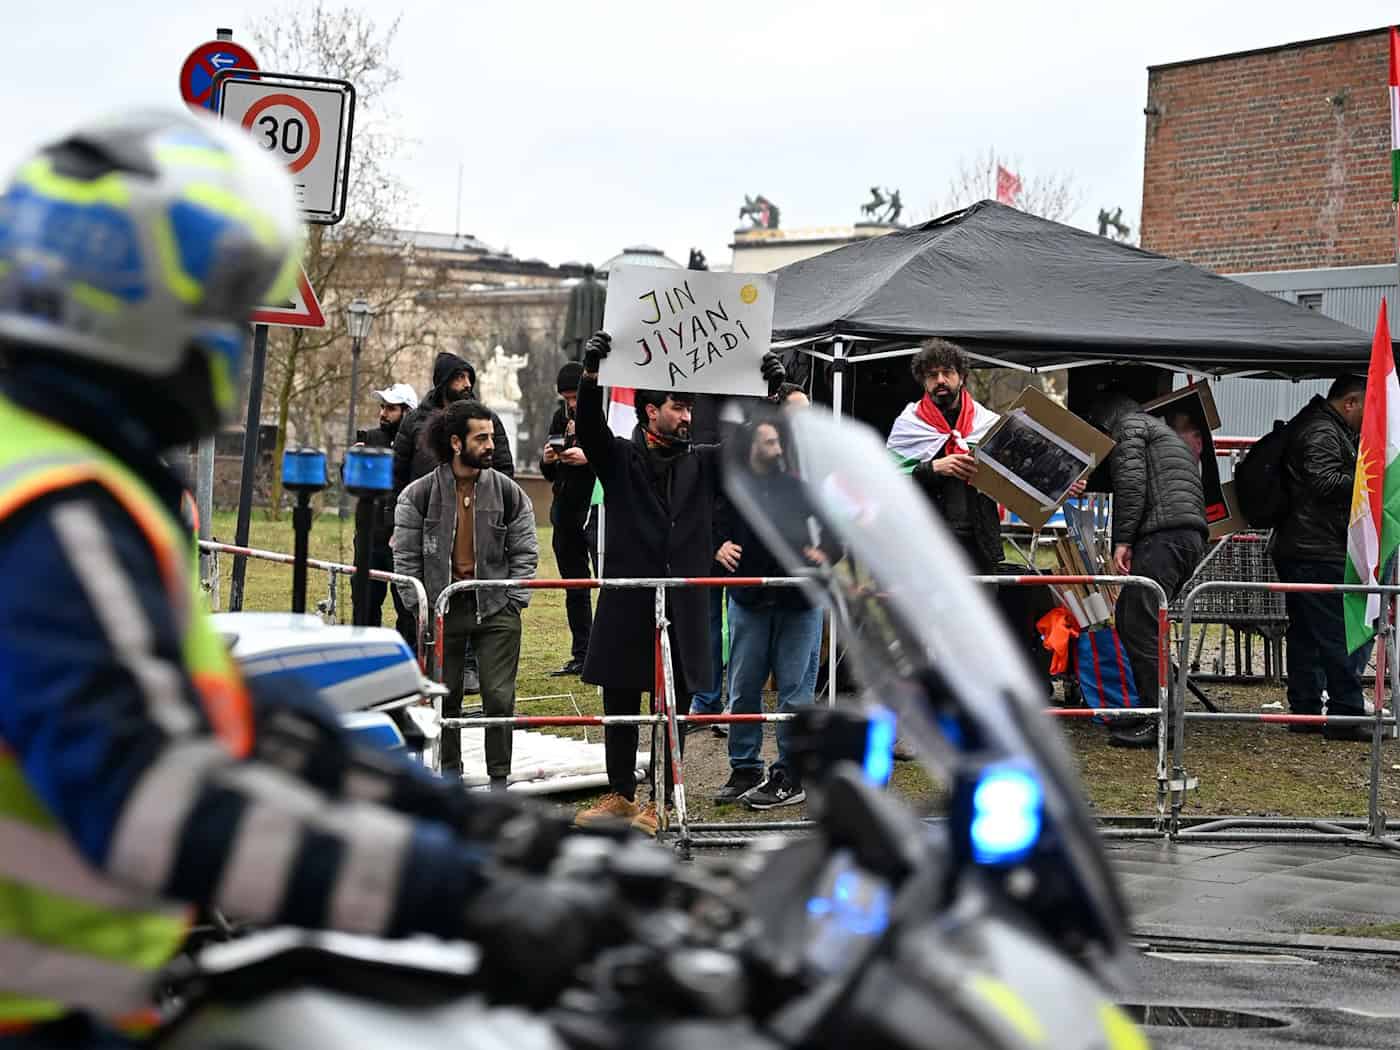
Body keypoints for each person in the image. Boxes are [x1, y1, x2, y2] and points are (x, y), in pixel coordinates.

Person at [0, 111, 601, 1048]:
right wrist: (460, 893)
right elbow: (155, 796)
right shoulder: (55, 509)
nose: (233, 343)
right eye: (223, 309)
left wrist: (481, 828)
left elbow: (223, 720)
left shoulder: (42, 465)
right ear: (142, 310)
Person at [572, 331, 784, 835]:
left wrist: (769, 395)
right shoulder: (620, 459)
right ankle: (621, 794)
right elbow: (589, 428)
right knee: (620, 700)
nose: (688, 417)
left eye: (690, 408)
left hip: (684, 605)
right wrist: (590, 375)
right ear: (649, 411)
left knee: (675, 703)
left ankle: (663, 798)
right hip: (628, 601)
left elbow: (748, 443)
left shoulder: (703, 460)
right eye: (677, 407)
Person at [394, 401, 538, 788]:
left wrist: (514, 599)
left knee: (498, 698)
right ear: (456, 442)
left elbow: (526, 551)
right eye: (482, 437)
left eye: (492, 436)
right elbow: (405, 561)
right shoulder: (418, 495)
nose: (492, 445)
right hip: (443, 610)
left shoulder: (509, 493)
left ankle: (499, 783)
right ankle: (449, 779)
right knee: (447, 698)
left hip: (497, 609)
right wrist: (422, 608)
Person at [713, 420, 834, 809]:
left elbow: (836, 529)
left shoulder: (799, 488)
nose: (779, 449)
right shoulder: (731, 490)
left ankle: (790, 774)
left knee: (796, 692)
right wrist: (716, 548)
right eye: (770, 442)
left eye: (780, 441)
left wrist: (827, 553)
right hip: (748, 601)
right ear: (751, 446)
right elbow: (707, 529)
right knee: (743, 687)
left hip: (800, 604)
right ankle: (745, 768)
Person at [1086, 390, 1208, 748]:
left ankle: (1160, 721)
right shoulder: (1156, 430)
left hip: (1163, 536)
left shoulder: (1128, 430)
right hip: (1184, 534)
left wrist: (1122, 541)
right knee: (1142, 621)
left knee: (1138, 623)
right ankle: (1156, 711)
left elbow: (1131, 485)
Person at [393, 352, 514, 694]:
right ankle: (418, 662)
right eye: (459, 378)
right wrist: (395, 523)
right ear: (444, 381)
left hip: (475, 516)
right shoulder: (415, 421)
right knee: (417, 594)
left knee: (474, 592)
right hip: (424, 519)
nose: (466, 385)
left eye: (468, 378)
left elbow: (502, 466)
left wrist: (495, 515)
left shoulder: (484, 419)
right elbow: (398, 473)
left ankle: (470, 666)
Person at [1271, 376, 1372, 742]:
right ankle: (1345, 713)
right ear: (1350, 402)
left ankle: (1306, 711)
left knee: (1308, 635)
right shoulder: (1321, 431)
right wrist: (1371, 476)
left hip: (1305, 544)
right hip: (1317, 546)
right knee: (1334, 633)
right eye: (1368, 408)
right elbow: (1326, 482)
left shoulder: (1318, 426)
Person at [886, 338, 1002, 573]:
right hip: (926, 542)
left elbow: (1021, 473)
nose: (940, 380)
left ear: (962, 377)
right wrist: (933, 468)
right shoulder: (909, 425)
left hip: (979, 543)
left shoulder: (987, 424)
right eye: (932, 375)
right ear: (923, 381)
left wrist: (1063, 486)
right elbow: (886, 480)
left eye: (947, 372)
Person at [539, 362, 595, 676]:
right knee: (575, 587)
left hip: (596, 509)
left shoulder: (602, 414)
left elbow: (617, 458)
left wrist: (588, 456)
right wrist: (548, 459)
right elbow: (551, 471)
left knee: (608, 584)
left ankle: (603, 652)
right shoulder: (561, 417)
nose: (571, 404)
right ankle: (582, 652)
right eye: (566, 398)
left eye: (575, 397)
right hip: (565, 512)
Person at [353, 382, 418, 631]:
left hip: (403, 537)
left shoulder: (419, 444)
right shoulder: (371, 438)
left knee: (407, 606)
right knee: (364, 604)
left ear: (407, 411)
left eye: (390, 408)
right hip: (369, 535)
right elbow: (351, 482)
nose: (383, 413)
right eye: (382, 407)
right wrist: (353, 463)